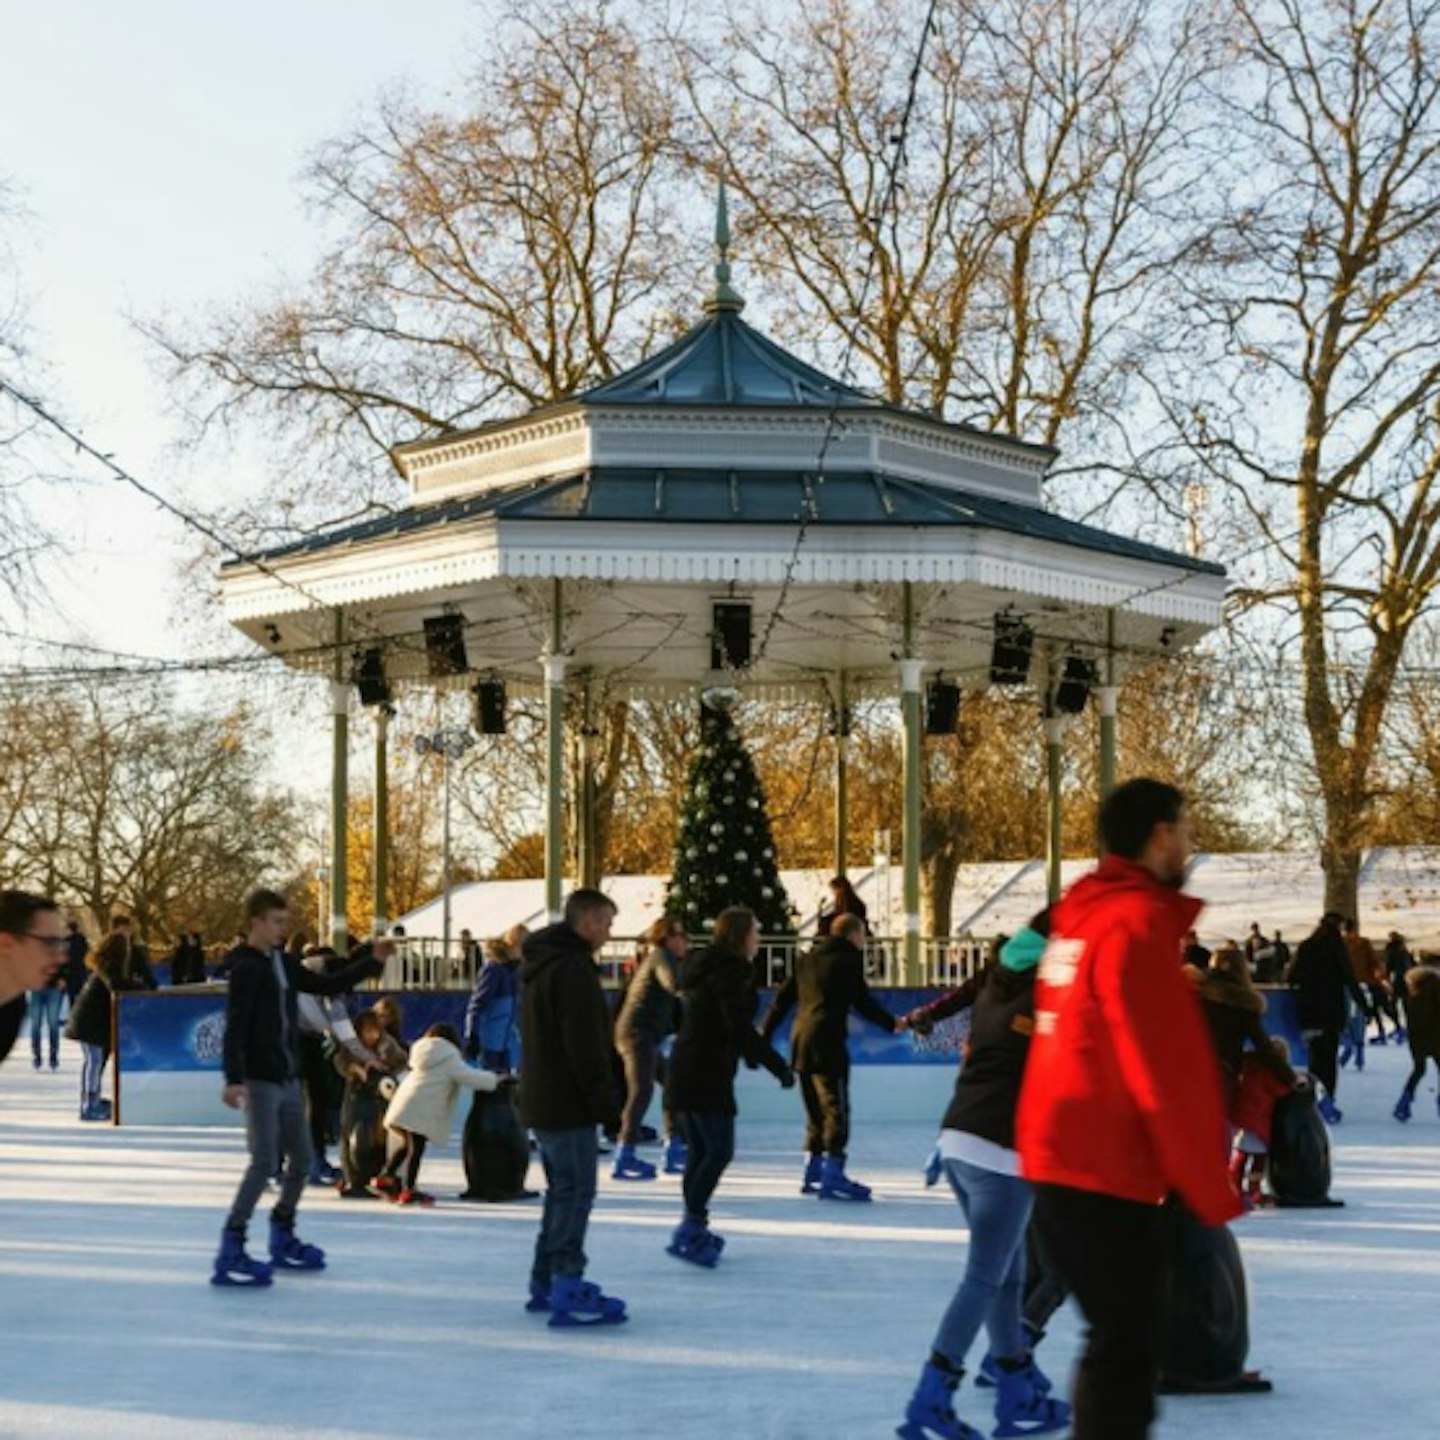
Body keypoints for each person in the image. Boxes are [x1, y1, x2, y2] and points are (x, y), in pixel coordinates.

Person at [1016, 778, 1241, 1440]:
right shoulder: (1134, 923)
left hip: (1065, 1155)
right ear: (1161, 836)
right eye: (1187, 831)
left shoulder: (1084, 918)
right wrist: (1205, 1183)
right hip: (1103, 1166)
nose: (1191, 845)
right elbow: (1161, 1064)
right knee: (1129, 1347)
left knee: (1121, 1340)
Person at [898, 914, 1070, 1440]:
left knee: (1008, 1276)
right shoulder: (1045, 995)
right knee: (983, 1278)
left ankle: (1015, 1387)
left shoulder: (997, 980)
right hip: (1001, 1152)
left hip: (958, 1139)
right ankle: (932, 1397)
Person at [213, 888, 386, 1288]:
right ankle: (232, 1244)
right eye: (276, 921)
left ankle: (282, 1233)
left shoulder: (283, 963)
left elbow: (327, 985)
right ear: (255, 921)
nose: (282, 928)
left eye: (283, 921)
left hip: (288, 1075)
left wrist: (369, 961)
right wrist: (233, 1077)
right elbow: (236, 1025)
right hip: (259, 1078)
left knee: (304, 1160)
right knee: (263, 1162)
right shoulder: (245, 968)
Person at [518, 888, 628, 1327]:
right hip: (568, 1103)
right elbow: (586, 1047)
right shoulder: (573, 970)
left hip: (544, 1099)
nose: (608, 932)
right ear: (586, 923)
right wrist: (608, 1106)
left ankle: (545, 1280)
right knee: (576, 1192)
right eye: (606, 923)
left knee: (561, 1191)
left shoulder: (541, 966)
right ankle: (566, 1281)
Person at [666, 905, 794, 1267]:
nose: (759, 938)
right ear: (740, 935)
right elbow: (735, 1025)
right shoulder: (730, 971)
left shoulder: (703, 966)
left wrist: (748, 1054)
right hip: (704, 1072)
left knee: (701, 1152)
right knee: (717, 1150)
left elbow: (715, 1022)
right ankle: (690, 1228)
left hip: (687, 1065)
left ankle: (693, 1226)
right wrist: (776, 1065)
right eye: (755, 931)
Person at [760, 911, 896, 1200]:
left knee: (814, 1109)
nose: (864, 940)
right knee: (836, 1108)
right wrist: (891, 1023)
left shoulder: (806, 960)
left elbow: (781, 1002)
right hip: (828, 1042)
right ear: (852, 935)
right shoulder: (848, 959)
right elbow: (862, 1001)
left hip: (800, 1040)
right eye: (863, 934)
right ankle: (833, 1173)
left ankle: (812, 1170)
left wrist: (765, 1035)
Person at [1186, 945, 1297, 1210]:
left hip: (1185, 1071)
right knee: (1216, 1134)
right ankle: (1216, 1189)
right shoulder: (1241, 1004)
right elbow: (1263, 1047)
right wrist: (1289, 1076)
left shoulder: (1194, 995)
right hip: (1220, 1074)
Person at [375, 1022, 502, 1205]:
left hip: (401, 1106)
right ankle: (409, 1189)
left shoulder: (421, 1054)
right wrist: (495, 1080)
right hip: (419, 1112)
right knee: (415, 1149)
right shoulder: (448, 1056)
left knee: (406, 1147)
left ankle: (384, 1177)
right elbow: (468, 1076)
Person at [296, 947, 388, 1185]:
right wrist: (365, 1055)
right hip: (291, 1036)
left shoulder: (330, 971)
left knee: (316, 1098)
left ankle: (312, 1160)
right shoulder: (333, 977)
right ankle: (301, 1162)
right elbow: (341, 1027)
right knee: (305, 1099)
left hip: (306, 1036)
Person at [612, 915, 688, 1180]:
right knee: (641, 1091)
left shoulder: (663, 957)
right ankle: (625, 1152)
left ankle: (674, 1146)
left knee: (673, 1083)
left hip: (644, 1034)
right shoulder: (661, 957)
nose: (685, 942)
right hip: (636, 1034)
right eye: (680, 935)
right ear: (667, 938)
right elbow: (673, 985)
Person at [1287, 911, 1365, 1123]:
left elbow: (1291, 976)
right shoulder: (1336, 948)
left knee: (1313, 1060)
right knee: (1328, 1061)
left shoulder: (1306, 946)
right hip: (1331, 1013)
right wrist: (1363, 1004)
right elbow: (1349, 977)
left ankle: (1311, 1100)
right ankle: (1328, 1099)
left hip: (1309, 1012)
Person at [64, 932, 138, 1120]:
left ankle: (92, 1099)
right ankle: (89, 1104)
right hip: (89, 1023)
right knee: (94, 1062)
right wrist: (139, 986)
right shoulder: (106, 968)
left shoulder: (109, 967)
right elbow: (116, 985)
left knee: (98, 1061)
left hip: (96, 1023)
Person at [0, 892, 66, 1069]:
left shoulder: (11, 1009)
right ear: (6, 944)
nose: (60, 957)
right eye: (49, 943)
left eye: (61, 944)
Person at [463, 924, 527, 1071]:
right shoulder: (495, 970)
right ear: (515, 946)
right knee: (489, 1082)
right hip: (489, 1042)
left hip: (507, 1044)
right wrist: (473, 1035)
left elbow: (518, 1010)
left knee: (505, 1083)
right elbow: (477, 1005)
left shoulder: (516, 972)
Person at [1393, 956, 1440, 1123]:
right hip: (1436, 1034)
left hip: (1417, 1035)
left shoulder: (1412, 988)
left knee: (1419, 1069)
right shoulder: (1436, 986)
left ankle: (1404, 1101)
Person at [1343, 917, 1392, 1042]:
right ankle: (1365, 1031)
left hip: (1347, 980)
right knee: (1366, 1007)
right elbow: (1373, 961)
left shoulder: (1341, 943)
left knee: (1347, 1008)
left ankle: (1348, 1034)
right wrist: (1382, 977)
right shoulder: (1363, 943)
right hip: (1365, 979)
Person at [27, 958, 65, 1072]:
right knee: (35, 1024)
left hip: (53, 987)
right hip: (35, 987)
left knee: (53, 1024)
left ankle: (53, 1057)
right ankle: (36, 1057)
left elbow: (64, 959)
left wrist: (63, 977)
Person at [108, 915, 157, 990]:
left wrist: (151, 984)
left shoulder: (134, 951)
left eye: (128, 930)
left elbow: (145, 973)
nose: (126, 933)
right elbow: (112, 979)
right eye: (122, 930)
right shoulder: (107, 950)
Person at [60, 920, 90, 1005]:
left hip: (70, 973)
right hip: (81, 972)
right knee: (81, 996)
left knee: (71, 998)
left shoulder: (66, 942)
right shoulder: (82, 940)